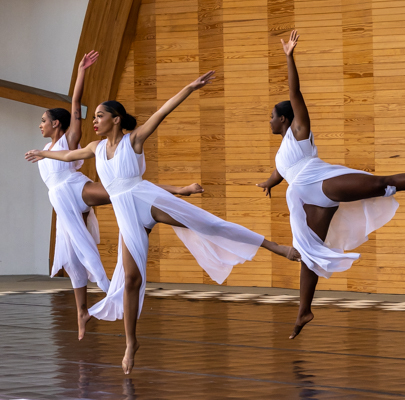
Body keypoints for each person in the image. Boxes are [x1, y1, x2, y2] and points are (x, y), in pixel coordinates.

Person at [26, 71, 300, 374]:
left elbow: (163, 111)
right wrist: (43, 153)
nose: (95, 121)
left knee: (206, 224)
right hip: (126, 215)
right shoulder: (94, 148)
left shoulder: (135, 139)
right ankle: (131, 342)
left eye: (100, 116)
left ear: (116, 120)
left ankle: (277, 248)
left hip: (148, 201)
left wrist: (190, 88)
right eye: (95, 117)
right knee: (131, 280)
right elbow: (67, 156)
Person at [257, 31, 405, 339]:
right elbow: (281, 172)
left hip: (319, 183)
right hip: (303, 197)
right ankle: (303, 310)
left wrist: (289, 56)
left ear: (284, 120)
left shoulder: (299, 129)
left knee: (381, 183)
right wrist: (270, 182)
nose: (267, 121)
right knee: (310, 254)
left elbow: (295, 94)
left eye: (271, 117)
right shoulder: (283, 151)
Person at [31, 52, 203, 341]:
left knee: (126, 192)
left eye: (43, 120)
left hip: (75, 188)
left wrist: (82, 71)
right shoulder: (47, 148)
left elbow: (75, 106)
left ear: (57, 125)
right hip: (60, 201)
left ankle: (176, 191)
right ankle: (82, 313)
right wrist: (41, 152)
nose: (40, 125)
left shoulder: (70, 139)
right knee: (72, 259)